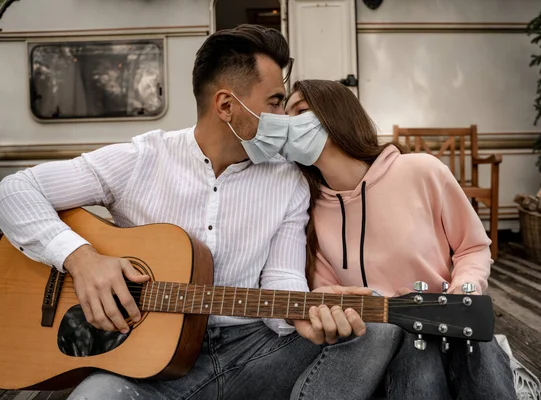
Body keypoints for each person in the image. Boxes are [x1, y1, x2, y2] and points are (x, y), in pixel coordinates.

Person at [0, 26, 387, 400]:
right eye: (274, 103)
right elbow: (14, 190)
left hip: (254, 350)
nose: (284, 119)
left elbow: (280, 275)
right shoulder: (141, 159)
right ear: (226, 105)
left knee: (377, 333)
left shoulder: (289, 180)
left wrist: (300, 312)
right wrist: (81, 260)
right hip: (147, 356)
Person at [283, 79, 518, 400]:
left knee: (476, 347)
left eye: (300, 111)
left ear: (335, 113)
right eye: (286, 116)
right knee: (418, 361)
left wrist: (466, 289)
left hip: (450, 317)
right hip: (383, 341)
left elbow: (473, 247)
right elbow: (328, 293)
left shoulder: (422, 170)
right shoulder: (309, 212)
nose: (289, 125)